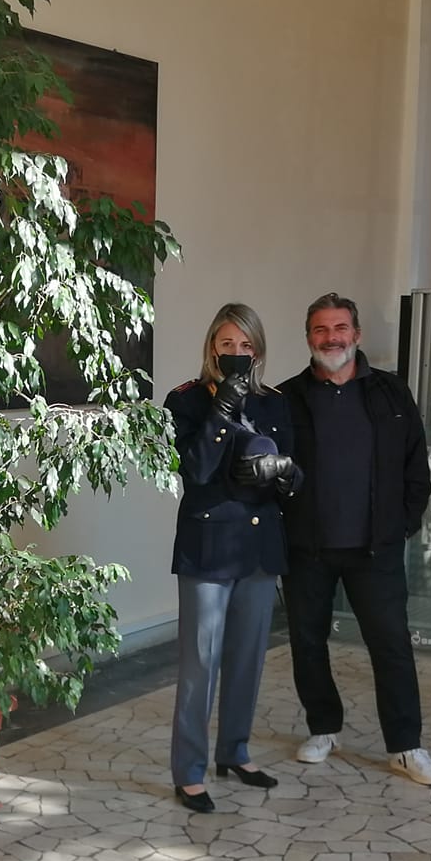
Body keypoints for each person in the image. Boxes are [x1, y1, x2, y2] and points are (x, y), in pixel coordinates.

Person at [278, 292, 431, 785]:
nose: (332, 338)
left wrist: (403, 524)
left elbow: (416, 465)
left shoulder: (391, 392)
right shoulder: (286, 398)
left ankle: (406, 746)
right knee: (308, 642)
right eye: (321, 330)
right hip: (307, 547)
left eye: (340, 328)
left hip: (376, 547)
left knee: (391, 644)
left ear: (357, 334)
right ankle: (323, 728)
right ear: (309, 337)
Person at [163, 304, 302, 813]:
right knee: (200, 664)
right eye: (227, 345)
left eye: (246, 346)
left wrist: (282, 471)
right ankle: (189, 772)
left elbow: (296, 476)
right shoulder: (185, 400)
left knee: (247, 659)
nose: (237, 353)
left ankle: (235, 752)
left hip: (260, 548)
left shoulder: (275, 402)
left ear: (258, 351)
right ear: (212, 349)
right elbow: (195, 471)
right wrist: (223, 408)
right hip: (208, 548)